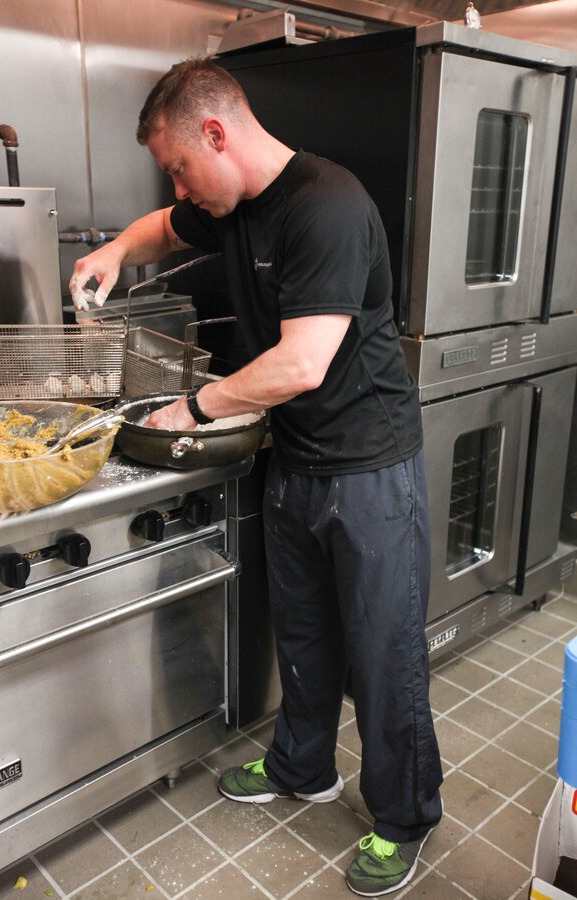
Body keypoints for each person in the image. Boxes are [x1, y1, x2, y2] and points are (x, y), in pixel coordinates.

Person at [69, 57, 443, 897]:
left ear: (216, 133)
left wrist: (194, 409)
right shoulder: (229, 203)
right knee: (303, 633)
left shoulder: (327, 206)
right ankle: (303, 767)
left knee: (382, 655)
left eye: (178, 165)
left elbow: (303, 363)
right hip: (296, 461)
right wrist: (113, 252)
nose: (178, 184)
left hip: (369, 468)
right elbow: (163, 229)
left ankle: (404, 817)